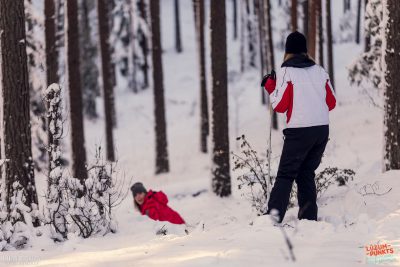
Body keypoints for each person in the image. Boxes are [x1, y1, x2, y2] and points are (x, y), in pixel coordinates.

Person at [261, 31, 336, 223]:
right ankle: (308, 218)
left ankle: (273, 218)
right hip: (321, 130)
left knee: (286, 174)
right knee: (306, 172)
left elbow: (280, 105)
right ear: (305, 51)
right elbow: (332, 102)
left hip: (299, 131)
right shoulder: (320, 71)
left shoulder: (286, 72)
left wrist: (271, 87)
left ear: (287, 52)